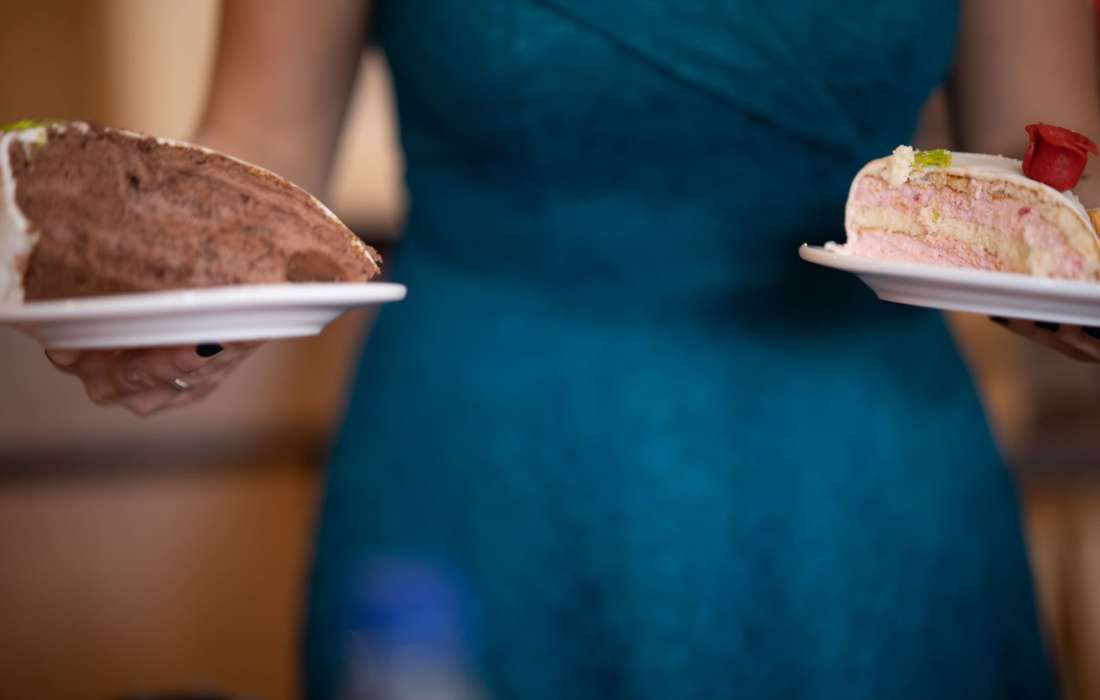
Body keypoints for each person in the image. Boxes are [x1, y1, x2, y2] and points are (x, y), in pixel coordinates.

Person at [43, 1, 1100, 697]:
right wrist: (172, 297)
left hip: (864, 482)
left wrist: (1069, 260)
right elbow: (264, 139)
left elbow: (1052, 155)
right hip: (485, 463)